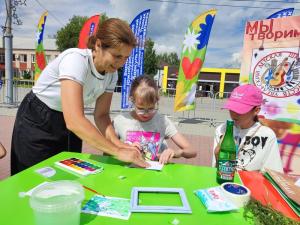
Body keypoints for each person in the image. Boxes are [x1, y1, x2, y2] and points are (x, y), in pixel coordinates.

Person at [11, 18, 148, 175]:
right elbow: (75, 120)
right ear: (98, 45)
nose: (121, 63)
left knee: (68, 178)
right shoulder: (76, 60)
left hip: (68, 125)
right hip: (38, 119)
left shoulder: (112, 74)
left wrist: (119, 145)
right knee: (34, 180)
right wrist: (117, 152)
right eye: (117, 56)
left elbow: (102, 115)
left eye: (126, 58)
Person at [113, 75, 197, 164]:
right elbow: (106, 152)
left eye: (151, 108)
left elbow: (192, 151)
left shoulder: (162, 121)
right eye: (141, 109)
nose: (146, 113)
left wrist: (176, 152)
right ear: (132, 100)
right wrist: (122, 148)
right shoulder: (120, 121)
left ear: (156, 101)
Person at [212, 84, 283, 173]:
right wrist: (217, 156)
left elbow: (273, 173)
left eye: (240, 110)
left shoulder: (267, 135)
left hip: (251, 185)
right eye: (232, 109)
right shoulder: (222, 129)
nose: (234, 114)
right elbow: (215, 168)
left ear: (256, 110)